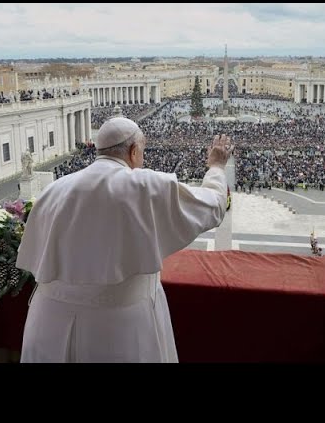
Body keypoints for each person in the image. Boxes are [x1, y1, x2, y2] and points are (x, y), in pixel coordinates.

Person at [16, 117, 232, 363]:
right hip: (116, 329)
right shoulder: (144, 185)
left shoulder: (53, 190)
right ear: (134, 150)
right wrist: (216, 167)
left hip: (47, 323)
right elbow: (213, 206)